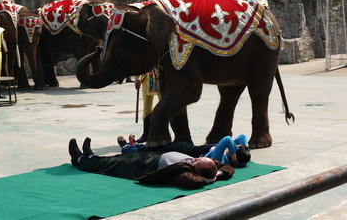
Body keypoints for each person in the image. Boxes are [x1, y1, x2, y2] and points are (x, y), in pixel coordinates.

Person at [69, 137, 235, 189]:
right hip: (153, 156)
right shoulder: (209, 167)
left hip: (146, 166)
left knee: (114, 164)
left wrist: (208, 180)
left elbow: (191, 182)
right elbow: (228, 168)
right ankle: (90, 158)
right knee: (114, 160)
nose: (197, 158)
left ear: (198, 172)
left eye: (199, 162)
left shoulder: (186, 174)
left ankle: (80, 159)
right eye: (199, 158)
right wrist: (217, 174)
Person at [116, 134, 251, 168]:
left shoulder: (221, 159)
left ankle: (128, 149)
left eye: (235, 148)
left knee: (159, 150)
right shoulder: (233, 154)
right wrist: (239, 151)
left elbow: (227, 139)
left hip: (187, 153)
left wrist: (232, 153)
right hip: (190, 148)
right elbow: (242, 137)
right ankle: (136, 147)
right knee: (161, 147)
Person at [134, 67, 161, 143]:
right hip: (147, 77)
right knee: (147, 108)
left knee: (163, 106)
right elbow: (139, 62)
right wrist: (137, 78)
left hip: (161, 77)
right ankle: (146, 134)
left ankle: (161, 134)